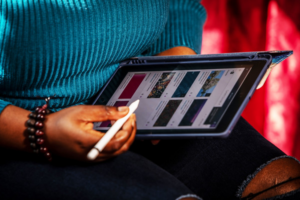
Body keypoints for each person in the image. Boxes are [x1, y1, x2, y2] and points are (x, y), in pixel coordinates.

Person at [0, 0, 300, 199]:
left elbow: (178, 5)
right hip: (22, 131)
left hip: (139, 100)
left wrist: (177, 57)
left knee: (282, 182)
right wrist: (40, 131)